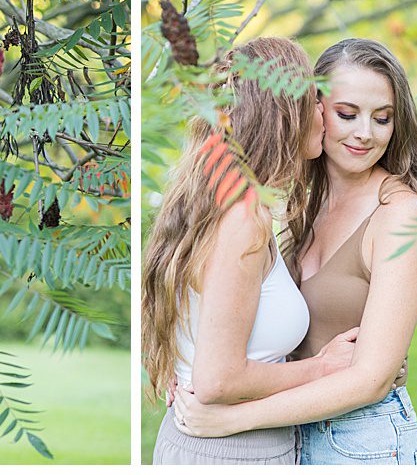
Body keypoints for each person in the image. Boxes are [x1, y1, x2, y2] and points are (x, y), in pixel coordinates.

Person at [172, 38, 417, 465]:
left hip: (361, 441)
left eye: (382, 118)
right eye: (346, 114)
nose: (364, 133)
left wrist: (233, 419)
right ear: (310, 110)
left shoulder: (399, 213)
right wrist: (186, 364)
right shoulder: (299, 203)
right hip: (290, 435)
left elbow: (370, 380)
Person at [144, 37, 357, 464]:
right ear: (285, 112)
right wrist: (324, 366)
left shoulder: (225, 202)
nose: (324, 112)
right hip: (231, 451)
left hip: (221, 442)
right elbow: (217, 380)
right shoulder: (243, 221)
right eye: (316, 99)